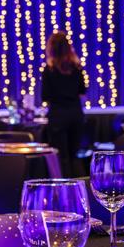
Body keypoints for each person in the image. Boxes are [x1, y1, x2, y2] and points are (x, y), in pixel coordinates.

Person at [40, 31, 87, 177]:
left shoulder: (49, 69)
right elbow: (82, 90)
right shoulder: (76, 67)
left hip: (58, 116)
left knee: (61, 158)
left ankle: (63, 188)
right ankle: (80, 186)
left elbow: (45, 96)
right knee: (74, 157)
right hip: (75, 114)